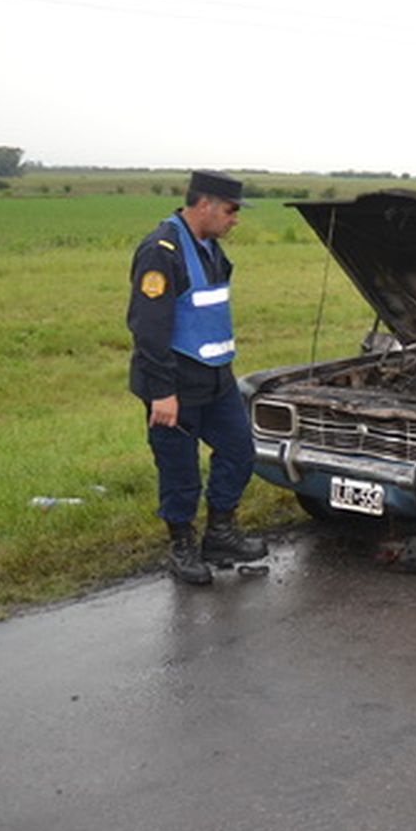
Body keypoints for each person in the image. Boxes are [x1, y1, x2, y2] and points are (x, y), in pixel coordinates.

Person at [127, 170, 266, 584]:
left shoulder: (211, 247)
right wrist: (162, 392)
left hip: (217, 378)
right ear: (203, 204)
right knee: (180, 470)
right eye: (231, 210)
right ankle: (182, 547)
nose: (235, 219)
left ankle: (220, 533)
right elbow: (148, 328)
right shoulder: (161, 251)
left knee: (240, 451)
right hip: (174, 383)